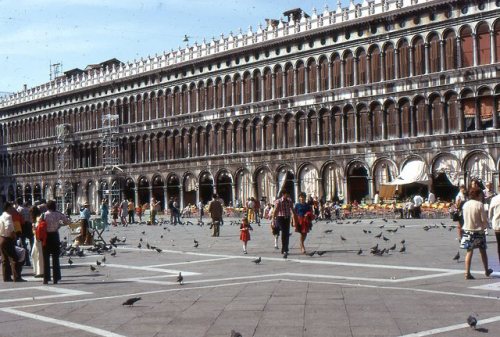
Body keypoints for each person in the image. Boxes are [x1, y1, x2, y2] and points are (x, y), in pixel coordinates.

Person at [461, 187, 493, 280]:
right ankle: (486, 270)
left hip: (467, 230)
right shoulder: (479, 205)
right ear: (478, 195)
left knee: (469, 251)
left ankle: (467, 272)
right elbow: (483, 219)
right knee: (483, 251)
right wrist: (486, 226)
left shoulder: (465, 204)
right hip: (478, 231)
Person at [42, 200, 71, 285]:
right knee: (55, 258)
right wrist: (60, 225)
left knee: (46, 259)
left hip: (46, 237)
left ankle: (46, 279)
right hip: (54, 236)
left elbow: (38, 224)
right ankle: (56, 278)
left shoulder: (44, 215)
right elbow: (67, 221)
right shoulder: (58, 214)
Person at [0, 202, 24, 282]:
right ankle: (16, 277)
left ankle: (6, 277)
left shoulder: (1, 216)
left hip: (1, 238)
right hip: (7, 239)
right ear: (7, 208)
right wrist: (13, 235)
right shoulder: (8, 216)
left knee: (5, 259)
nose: (12, 209)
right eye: (11, 207)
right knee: (15, 258)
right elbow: (9, 227)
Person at [271, 190, 295, 259]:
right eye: (286, 194)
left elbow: (292, 209)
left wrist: (294, 218)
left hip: (287, 218)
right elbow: (275, 211)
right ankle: (284, 249)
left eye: (288, 195)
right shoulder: (278, 201)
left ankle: (285, 249)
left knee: (286, 234)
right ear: (283, 194)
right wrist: (273, 220)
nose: (287, 196)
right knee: (284, 233)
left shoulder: (289, 201)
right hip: (280, 218)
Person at [17, 201, 33, 267]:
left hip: (22, 226)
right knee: (32, 242)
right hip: (29, 226)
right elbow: (31, 219)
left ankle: (26, 260)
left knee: (23, 244)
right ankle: (32, 255)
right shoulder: (29, 210)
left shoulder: (19, 209)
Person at [30, 205, 44, 278]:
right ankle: (37, 271)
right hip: (36, 238)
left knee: (39, 255)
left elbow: (38, 229)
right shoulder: (36, 218)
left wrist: (34, 229)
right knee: (33, 254)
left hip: (38, 238)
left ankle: (40, 272)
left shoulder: (38, 218)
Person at [488, 183, 500, 264]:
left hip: (497, 225)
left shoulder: (494, 199)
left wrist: (491, 219)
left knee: (499, 244)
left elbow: (490, 214)